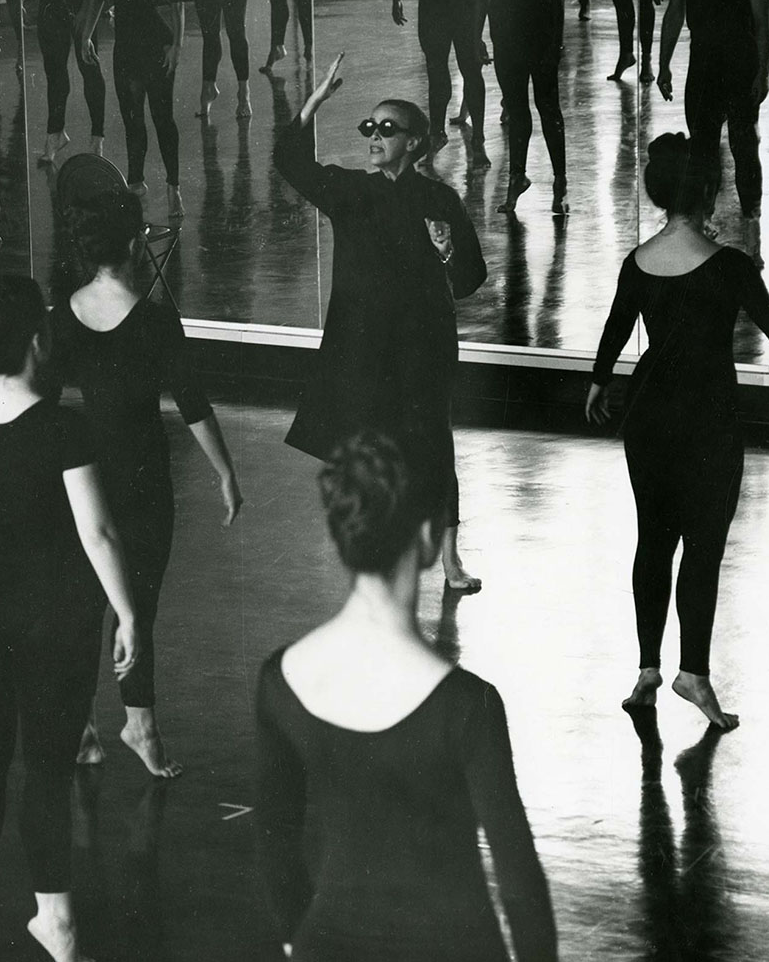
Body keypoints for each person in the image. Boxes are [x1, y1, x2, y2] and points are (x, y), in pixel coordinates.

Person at [255, 430, 559, 962]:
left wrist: (296, 939)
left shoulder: (280, 680)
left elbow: (274, 844)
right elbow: (519, 880)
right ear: (425, 537)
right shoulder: (468, 705)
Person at [585, 133, 769, 731]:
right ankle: (693, 673)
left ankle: (646, 670)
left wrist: (597, 381)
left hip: (645, 413)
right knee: (704, 546)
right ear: (711, 190)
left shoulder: (636, 261)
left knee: (653, 538)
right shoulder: (731, 267)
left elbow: (615, 328)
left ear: (660, 193)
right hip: (707, 415)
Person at [0, 275, 139, 962]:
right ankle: (54, 921)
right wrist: (129, 612)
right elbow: (99, 535)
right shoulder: (64, 425)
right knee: (48, 768)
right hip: (54, 609)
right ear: (36, 340)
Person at [273, 54, 487, 591]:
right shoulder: (352, 192)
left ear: (414, 142)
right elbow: (290, 164)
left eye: (387, 129)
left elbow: (469, 279)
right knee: (366, 447)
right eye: (370, 127)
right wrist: (314, 102)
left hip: (422, 345)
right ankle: (374, 553)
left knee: (434, 445)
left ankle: (451, 560)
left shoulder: (440, 199)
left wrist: (447, 251)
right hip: (363, 347)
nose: (374, 136)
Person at [50, 188, 243, 777]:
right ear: (135, 244)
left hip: (80, 476)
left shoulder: (62, 317)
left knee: (83, 601)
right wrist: (225, 471)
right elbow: (191, 403)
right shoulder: (156, 320)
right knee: (139, 603)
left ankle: (81, 725)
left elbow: (44, 406)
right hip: (141, 474)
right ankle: (140, 724)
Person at [657, 0, 769, 265]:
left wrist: (763, 72)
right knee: (703, 148)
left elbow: (761, 24)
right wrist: (662, 64)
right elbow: (674, 14)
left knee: (743, 142)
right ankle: (704, 221)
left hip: (739, 61)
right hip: (704, 62)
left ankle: (751, 219)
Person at [80, 0, 186, 218]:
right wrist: (85, 34)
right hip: (126, 49)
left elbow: (177, 3)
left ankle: (173, 187)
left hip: (155, 47)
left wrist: (176, 45)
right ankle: (137, 184)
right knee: (132, 119)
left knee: (162, 118)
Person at [392, 0, 493, 166]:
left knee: (465, 68)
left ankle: (477, 139)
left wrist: (478, 20)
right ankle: (438, 133)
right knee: (438, 68)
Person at [489, 0, 568, 215]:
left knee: (545, 107)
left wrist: (557, 40)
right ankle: (519, 178)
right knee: (523, 107)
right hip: (516, 27)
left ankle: (559, 182)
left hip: (530, 26)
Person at [21, 0, 106, 164]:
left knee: (88, 66)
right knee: (54, 70)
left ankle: (97, 139)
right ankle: (56, 133)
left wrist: (87, 9)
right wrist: (18, 0)